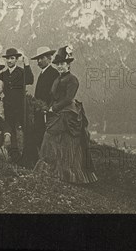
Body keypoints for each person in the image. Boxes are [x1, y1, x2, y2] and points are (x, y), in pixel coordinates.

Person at [34, 46, 98, 184]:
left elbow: (68, 98)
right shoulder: (57, 79)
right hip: (57, 112)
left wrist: (54, 108)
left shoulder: (72, 80)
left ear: (68, 64)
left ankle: (68, 174)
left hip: (68, 113)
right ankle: (55, 171)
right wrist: (48, 108)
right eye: (58, 64)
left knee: (66, 142)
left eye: (62, 64)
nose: (60, 67)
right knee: (51, 139)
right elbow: (53, 96)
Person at [21, 46, 60, 168]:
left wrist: (47, 108)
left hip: (46, 112)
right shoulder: (43, 73)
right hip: (39, 112)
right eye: (37, 59)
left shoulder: (54, 74)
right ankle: (33, 163)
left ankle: (43, 164)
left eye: (41, 58)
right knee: (37, 136)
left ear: (49, 58)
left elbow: (55, 94)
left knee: (44, 138)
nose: (38, 62)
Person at [0, 48, 33, 158]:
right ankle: (14, 155)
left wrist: (27, 65)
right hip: (9, 107)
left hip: (21, 106)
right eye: (7, 58)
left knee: (26, 129)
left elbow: (30, 80)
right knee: (11, 130)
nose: (9, 61)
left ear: (16, 59)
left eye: (12, 58)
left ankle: (28, 155)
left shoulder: (22, 72)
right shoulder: (3, 74)